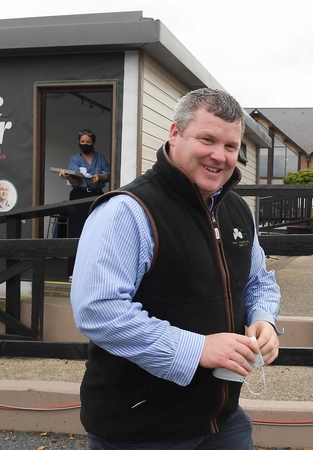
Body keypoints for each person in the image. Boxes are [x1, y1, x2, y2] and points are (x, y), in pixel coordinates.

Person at [70, 88, 281, 449]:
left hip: (222, 420)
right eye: (207, 139)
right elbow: (97, 309)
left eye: (230, 146)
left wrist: (264, 318)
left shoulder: (237, 210)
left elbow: (258, 281)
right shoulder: (129, 210)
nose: (220, 155)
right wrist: (195, 349)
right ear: (174, 133)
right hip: (141, 426)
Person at [59, 129, 110, 277]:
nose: (85, 144)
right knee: (76, 232)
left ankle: (95, 271)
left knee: (97, 232)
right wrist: (67, 177)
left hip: (96, 196)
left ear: (93, 143)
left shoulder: (100, 158)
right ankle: (73, 273)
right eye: (82, 142)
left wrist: (100, 177)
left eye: (88, 142)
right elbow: (75, 179)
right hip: (78, 196)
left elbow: (108, 173)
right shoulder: (74, 159)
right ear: (79, 143)